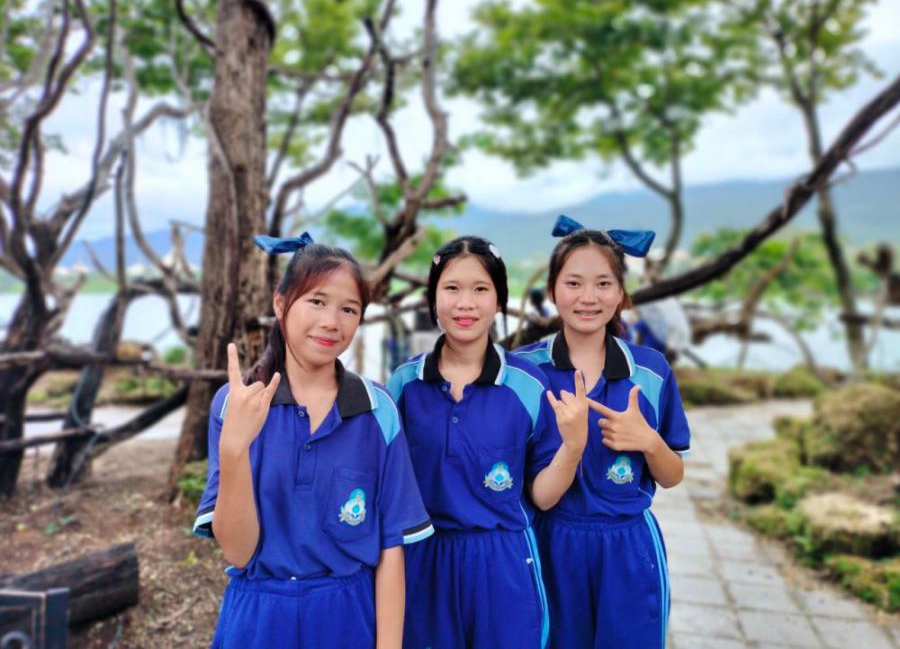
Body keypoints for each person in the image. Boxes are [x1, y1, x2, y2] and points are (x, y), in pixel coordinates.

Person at [193, 233, 432, 649]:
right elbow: (238, 552)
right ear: (280, 303)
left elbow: (391, 546)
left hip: (347, 617)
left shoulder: (377, 410)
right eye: (317, 301)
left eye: (349, 309)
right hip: (258, 618)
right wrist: (234, 449)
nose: (331, 322)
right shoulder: (237, 404)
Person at [387, 236, 589, 649]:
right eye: (452, 288)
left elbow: (543, 497)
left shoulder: (528, 385)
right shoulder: (404, 383)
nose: (465, 303)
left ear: (499, 301)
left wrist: (573, 447)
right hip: (422, 556)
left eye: (480, 289)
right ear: (433, 299)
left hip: (502, 559)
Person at [515, 215, 691, 649]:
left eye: (603, 284)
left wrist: (648, 441)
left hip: (629, 547)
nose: (588, 297)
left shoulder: (650, 371)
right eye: (573, 283)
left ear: (621, 295)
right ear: (552, 290)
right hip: (552, 543)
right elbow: (538, 496)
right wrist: (573, 446)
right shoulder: (524, 372)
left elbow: (673, 475)